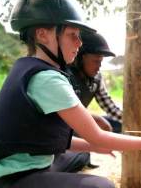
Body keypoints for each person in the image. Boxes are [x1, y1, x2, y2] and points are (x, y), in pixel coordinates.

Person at [0, 0, 141, 188]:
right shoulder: (48, 79)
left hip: (23, 164)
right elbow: (97, 135)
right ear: (42, 35)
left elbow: (48, 136)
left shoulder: (27, 67)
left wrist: (95, 146)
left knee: (81, 155)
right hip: (10, 177)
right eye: (73, 35)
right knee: (102, 186)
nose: (79, 43)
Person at [52, 30, 124, 173]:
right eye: (96, 61)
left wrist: (134, 123)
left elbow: (109, 106)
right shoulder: (64, 77)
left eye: (101, 62)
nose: (99, 66)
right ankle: (79, 158)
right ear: (80, 58)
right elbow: (63, 116)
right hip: (62, 127)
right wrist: (94, 118)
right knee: (81, 154)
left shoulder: (97, 78)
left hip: (78, 122)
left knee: (116, 124)